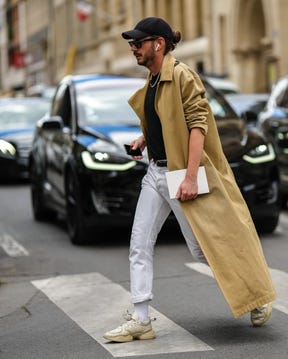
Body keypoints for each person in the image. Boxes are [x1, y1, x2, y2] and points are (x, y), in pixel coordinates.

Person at [103, 17, 276, 343]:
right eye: (132, 43)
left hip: (181, 174)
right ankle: (141, 319)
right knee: (139, 244)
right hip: (156, 172)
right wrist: (143, 140)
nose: (133, 49)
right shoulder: (152, 80)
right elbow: (161, 120)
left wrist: (193, 177)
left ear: (158, 44)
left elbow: (198, 125)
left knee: (203, 249)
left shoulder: (182, 75)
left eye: (138, 43)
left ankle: (257, 296)